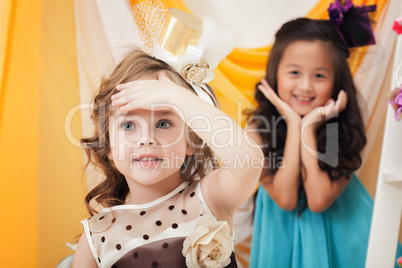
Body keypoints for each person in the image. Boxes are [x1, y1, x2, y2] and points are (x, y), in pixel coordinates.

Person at [72, 43, 263, 267]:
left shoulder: (211, 199)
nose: (146, 139)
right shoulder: (96, 236)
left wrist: (175, 96)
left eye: (163, 123)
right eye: (128, 125)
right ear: (108, 146)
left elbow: (248, 160)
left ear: (191, 140)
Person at [246, 3, 402, 267]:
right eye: (294, 72)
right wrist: (293, 126)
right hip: (281, 239)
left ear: (336, 81)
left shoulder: (336, 129)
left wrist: (308, 128)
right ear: (275, 75)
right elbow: (285, 199)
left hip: (344, 239)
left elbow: (318, 200)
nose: (306, 86)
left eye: (319, 75)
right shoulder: (259, 130)